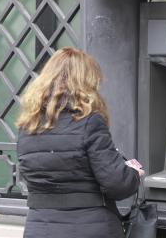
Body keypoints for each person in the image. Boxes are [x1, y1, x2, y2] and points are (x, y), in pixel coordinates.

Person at [16, 47, 144, 238]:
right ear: (85, 84)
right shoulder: (89, 122)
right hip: (89, 228)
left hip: (40, 228)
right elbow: (116, 183)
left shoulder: (27, 127)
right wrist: (133, 173)